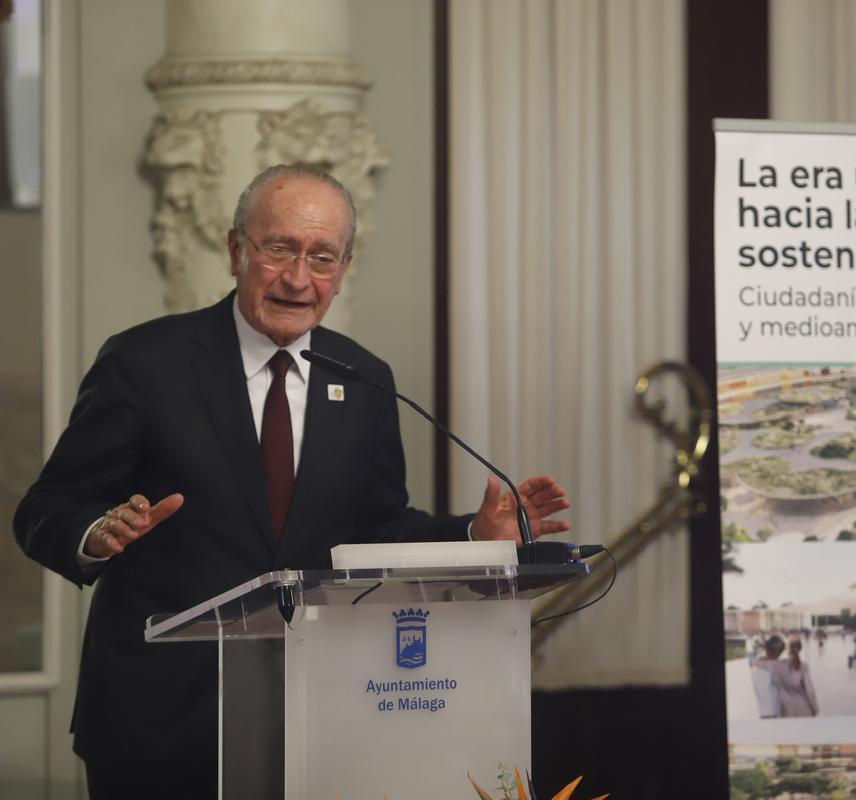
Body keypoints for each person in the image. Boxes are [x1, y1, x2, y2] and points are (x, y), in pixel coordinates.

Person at [12, 165, 571, 798]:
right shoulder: (145, 363)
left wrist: (476, 535)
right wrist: (95, 531)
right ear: (235, 251)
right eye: (279, 249)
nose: (299, 279)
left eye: (322, 257)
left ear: (344, 267)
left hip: (320, 715)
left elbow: (377, 530)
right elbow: (46, 506)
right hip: (159, 719)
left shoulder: (363, 377)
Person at [753, 635, 819, 717]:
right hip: (804, 708)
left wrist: (755, 661)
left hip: (787, 711)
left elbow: (761, 663)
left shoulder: (777, 666)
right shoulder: (803, 667)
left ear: (787, 650)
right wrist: (815, 709)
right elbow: (810, 691)